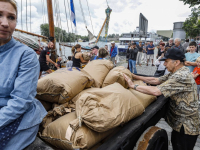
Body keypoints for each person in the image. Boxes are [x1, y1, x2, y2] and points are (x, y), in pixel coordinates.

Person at [124, 48, 200, 150]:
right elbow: (156, 80)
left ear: (176, 62)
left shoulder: (181, 76)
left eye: (166, 61)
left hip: (186, 126)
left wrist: (133, 86)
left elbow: (157, 91)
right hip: (180, 123)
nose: (164, 64)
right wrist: (134, 76)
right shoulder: (177, 72)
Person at [0, 1, 47, 149]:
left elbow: (20, 102)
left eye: (11, 17)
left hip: (17, 116)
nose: (5, 23)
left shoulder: (26, 55)